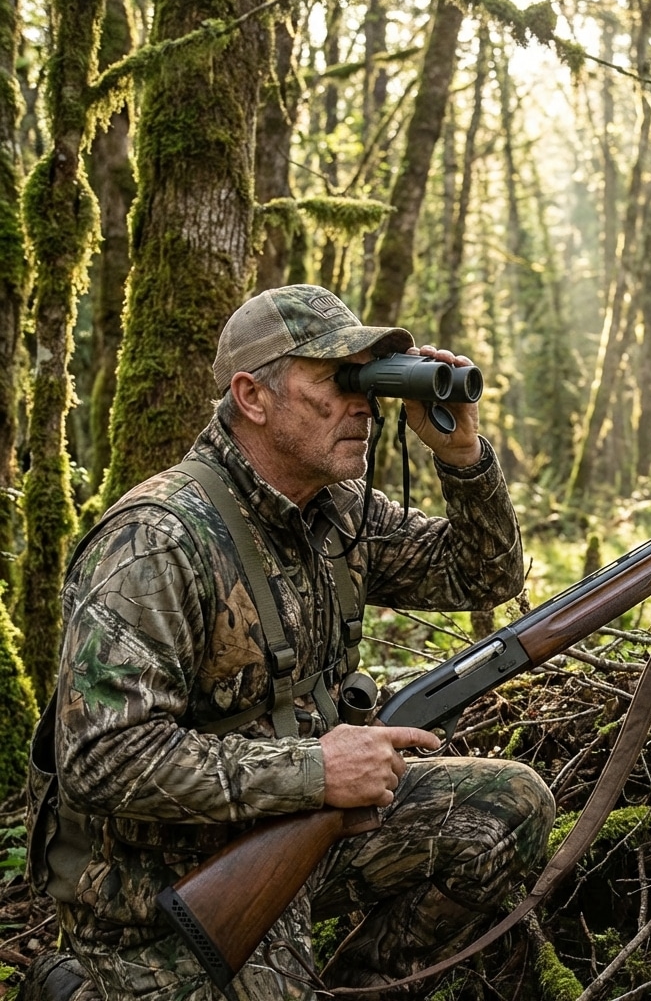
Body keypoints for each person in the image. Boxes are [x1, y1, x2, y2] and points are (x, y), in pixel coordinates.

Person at [41, 284, 556, 1000]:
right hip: (164, 888)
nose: (363, 405)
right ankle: (82, 985)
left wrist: (462, 457)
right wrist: (316, 770)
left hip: (300, 829)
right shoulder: (158, 539)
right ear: (252, 396)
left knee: (508, 805)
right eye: (339, 381)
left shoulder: (336, 511)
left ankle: (360, 986)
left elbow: (482, 575)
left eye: (371, 382)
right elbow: (103, 759)